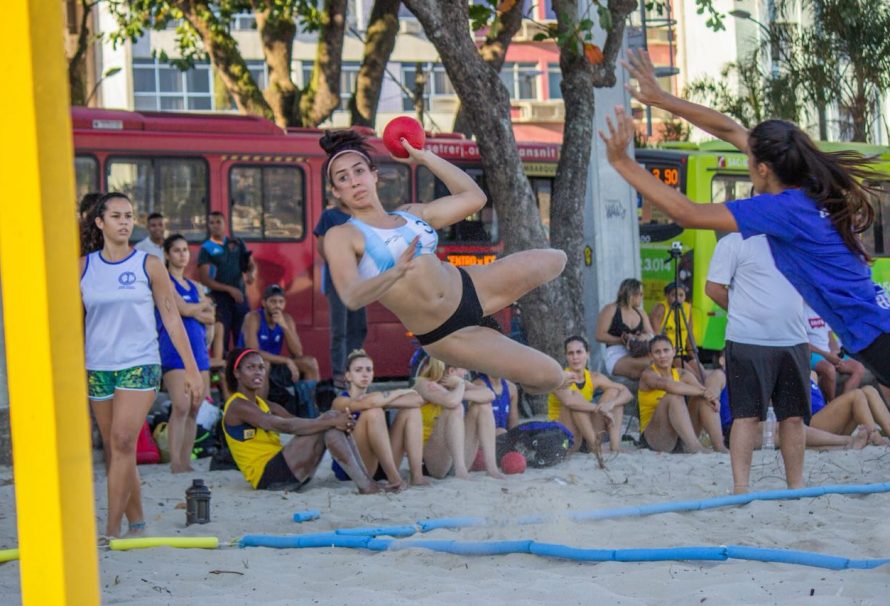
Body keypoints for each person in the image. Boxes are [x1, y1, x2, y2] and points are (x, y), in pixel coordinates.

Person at [601, 48, 890, 388]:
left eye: (751, 160)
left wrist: (623, 163)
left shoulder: (782, 209)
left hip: (877, 337)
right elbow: (729, 130)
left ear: (764, 169)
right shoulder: (807, 185)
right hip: (878, 329)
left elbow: (688, 213)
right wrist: (663, 99)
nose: (746, 158)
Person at [320, 129, 568, 394]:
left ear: (374, 175)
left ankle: (495, 351)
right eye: (343, 178)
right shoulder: (343, 235)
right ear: (336, 191)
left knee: (557, 259)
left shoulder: (411, 213)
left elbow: (474, 198)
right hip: (447, 333)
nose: (355, 182)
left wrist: (425, 156)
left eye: (359, 171)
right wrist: (395, 272)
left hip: (472, 286)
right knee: (551, 376)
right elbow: (352, 296)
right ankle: (497, 367)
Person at [80, 193, 203, 537]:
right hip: (99, 366)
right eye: (116, 216)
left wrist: (192, 371)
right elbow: (73, 325)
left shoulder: (148, 265)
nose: (123, 221)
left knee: (122, 441)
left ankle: (111, 530)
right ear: (100, 222)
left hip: (141, 362)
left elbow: (172, 318)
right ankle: (137, 523)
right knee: (115, 449)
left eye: (128, 216)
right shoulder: (83, 267)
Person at [704, 232, 809, 493]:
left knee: (794, 417)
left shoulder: (796, 237)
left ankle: (795, 485)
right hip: (748, 340)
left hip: (793, 338)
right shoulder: (734, 241)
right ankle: (741, 486)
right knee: (747, 416)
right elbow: (713, 287)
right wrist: (744, 311)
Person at [221, 348, 378, 493]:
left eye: (261, 368)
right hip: (268, 479)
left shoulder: (264, 404)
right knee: (330, 421)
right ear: (237, 373)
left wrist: (335, 420)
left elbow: (298, 421)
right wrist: (330, 420)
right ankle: (367, 485)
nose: (258, 372)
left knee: (331, 421)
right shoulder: (237, 405)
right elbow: (284, 426)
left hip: (287, 472)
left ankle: (366, 482)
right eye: (251, 368)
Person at [160, 234, 215, 473]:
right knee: (180, 406)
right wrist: (198, 308)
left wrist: (195, 310)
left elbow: (210, 315)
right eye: (177, 250)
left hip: (199, 352)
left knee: (194, 407)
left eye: (185, 250)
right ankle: (175, 463)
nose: (182, 255)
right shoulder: (165, 282)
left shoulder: (193, 285)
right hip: (175, 352)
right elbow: (182, 309)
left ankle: (186, 461)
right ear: (167, 255)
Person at [332, 349, 426, 488]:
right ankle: (395, 479)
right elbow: (369, 404)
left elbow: (418, 400)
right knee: (373, 412)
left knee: (411, 411)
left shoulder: (377, 396)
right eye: (358, 370)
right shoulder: (340, 400)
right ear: (348, 376)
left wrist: (387, 399)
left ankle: (417, 477)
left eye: (368, 370)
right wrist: (397, 393)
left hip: (382, 463)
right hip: (356, 467)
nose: (364, 374)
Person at [414, 357, 504, 479]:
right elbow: (451, 402)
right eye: (463, 369)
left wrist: (460, 391)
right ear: (452, 372)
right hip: (431, 461)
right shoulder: (423, 383)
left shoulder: (458, 384)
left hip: (455, 455)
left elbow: (489, 394)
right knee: (455, 409)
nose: (466, 373)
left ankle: (491, 468)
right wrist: (460, 386)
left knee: (483, 406)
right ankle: (460, 470)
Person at [240, 284, 320, 417]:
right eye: (273, 301)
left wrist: (284, 327)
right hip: (251, 366)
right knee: (262, 364)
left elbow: (298, 353)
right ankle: (260, 415)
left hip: (275, 365)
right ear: (264, 303)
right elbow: (252, 352)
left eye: (280, 302)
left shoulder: (286, 319)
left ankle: (310, 411)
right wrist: (286, 360)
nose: (277, 306)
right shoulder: (253, 318)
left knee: (309, 363)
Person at [637, 336, 727, 454]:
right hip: (656, 437)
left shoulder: (682, 374)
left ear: (673, 351)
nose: (663, 355)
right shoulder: (648, 374)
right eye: (657, 352)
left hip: (682, 436)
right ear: (650, 355)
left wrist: (710, 396)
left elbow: (702, 390)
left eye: (666, 350)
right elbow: (669, 386)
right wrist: (704, 392)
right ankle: (695, 447)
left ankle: (719, 446)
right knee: (673, 396)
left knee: (701, 399)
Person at [314, 200, 367, 389]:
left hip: (359, 282)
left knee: (359, 327)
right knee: (340, 330)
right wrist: (340, 264)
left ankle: (355, 369)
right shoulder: (329, 216)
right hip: (337, 282)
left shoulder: (361, 215)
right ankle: (339, 373)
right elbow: (321, 246)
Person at [547, 336, 631, 454]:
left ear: (587, 354)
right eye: (571, 353)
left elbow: (627, 393)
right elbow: (569, 402)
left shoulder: (594, 377)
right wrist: (602, 409)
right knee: (576, 400)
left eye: (579, 352)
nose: (575, 357)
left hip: (587, 430)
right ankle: (595, 446)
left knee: (613, 392)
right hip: (566, 435)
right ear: (566, 356)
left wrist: (611, 404)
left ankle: (615, 446)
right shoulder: (560, 378)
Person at [198, 210, 256, 349]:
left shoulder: (237, 243)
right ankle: (220, 370)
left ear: (225, 224)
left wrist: (251, 273)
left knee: (243, 339)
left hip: (240, 298)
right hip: (219, 299)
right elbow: (205, 279)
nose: (215, 225)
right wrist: (230, 290)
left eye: (218, 222)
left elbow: (250, 264)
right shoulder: (206, 248)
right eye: (211, 223)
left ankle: (242, 369)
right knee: (221, 342)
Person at [803, 302, 865, 402]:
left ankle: (843, 403)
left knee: (859, 368)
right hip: (812, 353)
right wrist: (827, 356)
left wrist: (836, 353)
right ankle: (831, 405)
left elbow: (830, 336)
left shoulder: (820, 308)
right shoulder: (800, 310)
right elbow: (803, 343)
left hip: (828, 353)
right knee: (829, 370)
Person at [595, 278, 655, 379]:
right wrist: (622, 340)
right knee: (652, 364)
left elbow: (652, 335)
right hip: (616, 353)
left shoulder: (641, 313)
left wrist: (641, 337)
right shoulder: (611, 309)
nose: (642, 297)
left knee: (654, 369)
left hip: (637, 352)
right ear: (631, 295)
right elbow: (599, 335)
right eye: (640, 294)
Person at [649, 281, 703, 378]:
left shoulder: (687, 307)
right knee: (693, 376)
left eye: (681, 295)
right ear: (666, 295)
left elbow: (689, 333)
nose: (678, 298)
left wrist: (693, 356)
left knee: (701, 373)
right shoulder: (661, 308)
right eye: (674, 295)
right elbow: (654, 336)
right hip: (669, 354)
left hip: (684, 352)